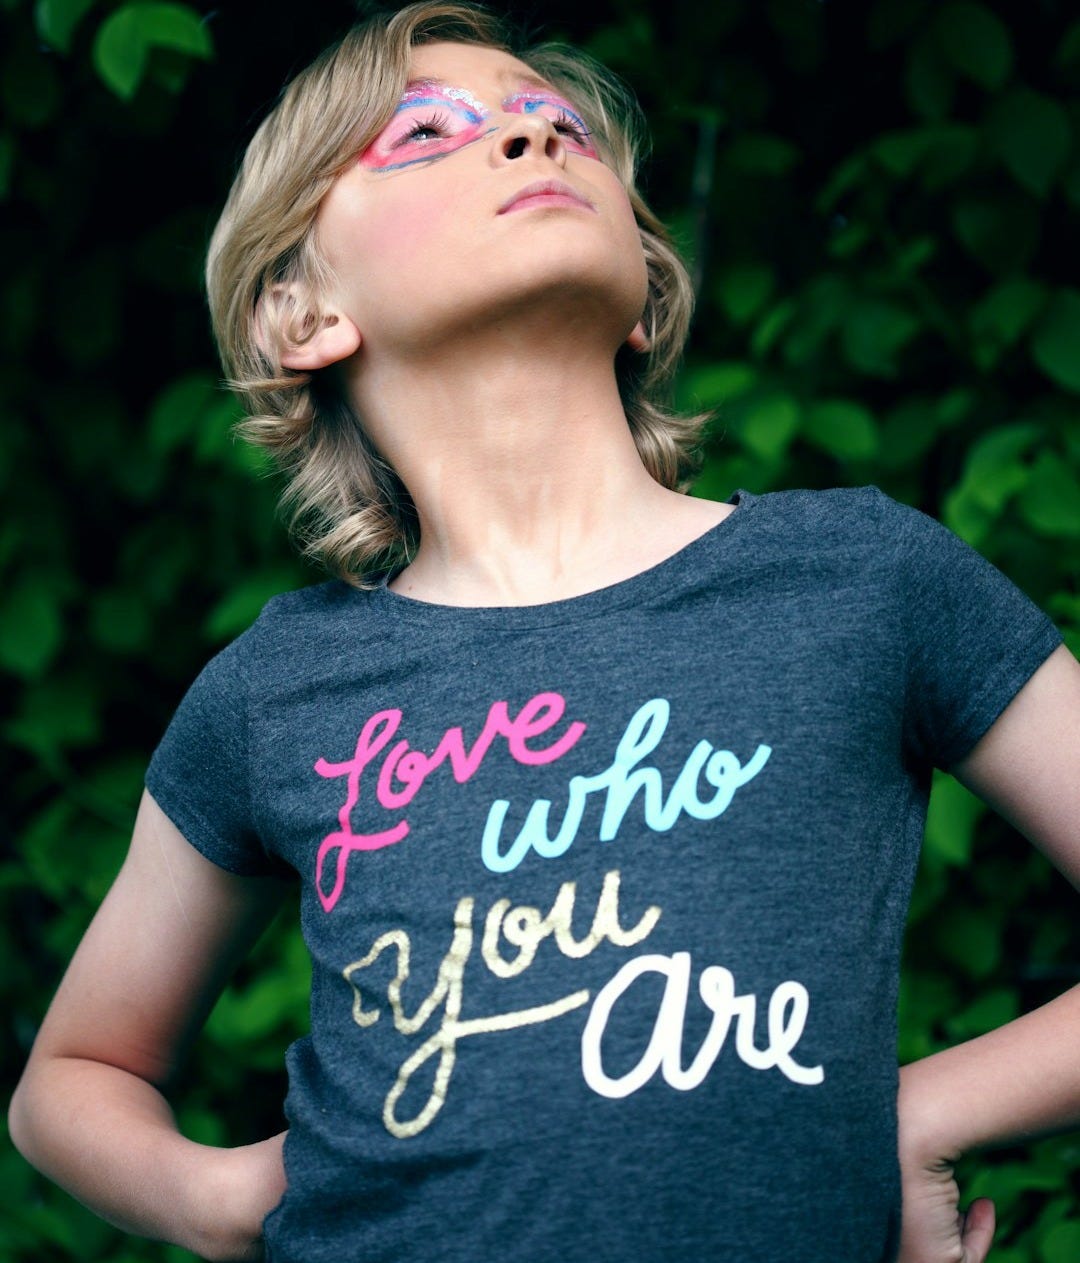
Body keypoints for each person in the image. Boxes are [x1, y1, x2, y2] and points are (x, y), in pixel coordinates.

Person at [8, 2, 1080, 1261]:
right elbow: (70, 1080)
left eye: (558, 123)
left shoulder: (864, 577)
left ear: (643, 296)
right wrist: (223, 1198)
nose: (528, 141)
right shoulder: (275, 693)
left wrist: (908, 1117)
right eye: (423, 133)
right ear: (300, 316)